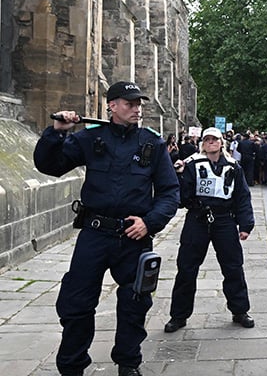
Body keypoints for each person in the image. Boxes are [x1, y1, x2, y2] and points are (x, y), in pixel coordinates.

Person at [33, 81, 180, 376]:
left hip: (133, 236)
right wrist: (57, 132)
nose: (137, 109)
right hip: (95, 233)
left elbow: (169, 192)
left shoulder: (152, 143)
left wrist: (149, 222)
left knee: (135, 302)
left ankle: (128, 362)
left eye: (139, 104)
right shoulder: (91, 138)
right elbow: (49, 165)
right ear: (112, 106)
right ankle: (72, 366)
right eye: (130, 103)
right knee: (76, 302)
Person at [164, 127, 256, 333]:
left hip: (224, 220)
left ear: (221, 142)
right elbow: (182, 196)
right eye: (207, 139)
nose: (211, 142)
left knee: (233, 267)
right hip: (198, 218)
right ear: (202, 143)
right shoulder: (192, 164)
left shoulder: (233, 166)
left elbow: (242, 196)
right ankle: (179, 315)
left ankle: (239, 310)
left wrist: (246, 224)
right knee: (186, 268)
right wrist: (178, 174)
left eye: (215, 139)